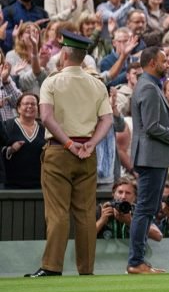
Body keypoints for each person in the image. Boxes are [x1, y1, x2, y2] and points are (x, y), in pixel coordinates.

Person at [26, 31, 113, 278]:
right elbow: (107, 119)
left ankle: (52, 266)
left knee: (57, 212)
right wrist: (91, 143)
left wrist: (68, 144)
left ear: (64, 54)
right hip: (87, 153)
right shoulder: (97, 83)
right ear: (84, 57)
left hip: (59, 151)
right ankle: (86, 269)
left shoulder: (52, 82)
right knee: (86, 213)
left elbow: (46, 118)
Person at [127, 46, 169, 274]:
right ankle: (136, 262)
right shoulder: (149, 88)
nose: (168, 64)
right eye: (164, 61)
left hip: (153, 157)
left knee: (148, 208)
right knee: (145, 209)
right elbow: (151, 126)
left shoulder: (149, 86)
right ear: (153, 63)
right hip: (150, 157)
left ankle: (138, 260)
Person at [1, 93, 45, 189]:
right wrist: (10, 150)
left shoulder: (44, 129)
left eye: (33, 104)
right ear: (18, 108)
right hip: (12, 186)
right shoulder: (8, 126)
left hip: (39, 185)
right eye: (26, 104)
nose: (30, 106)